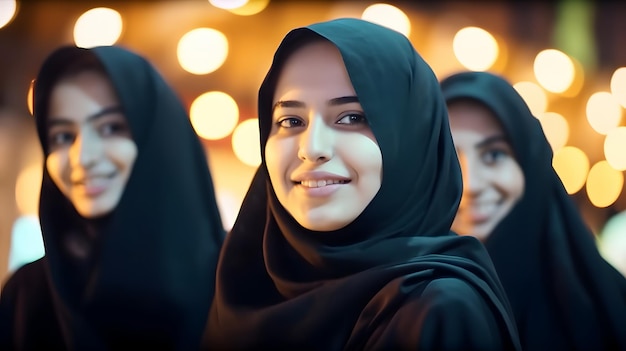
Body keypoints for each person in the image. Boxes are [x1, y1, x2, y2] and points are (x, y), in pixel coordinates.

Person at [202, 18, 521, 350]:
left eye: (352, 118)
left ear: (411, 143)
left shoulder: (436, 308)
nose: (312, 149)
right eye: (290, 121)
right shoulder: (247, 278)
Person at [0, 45, 225, 350]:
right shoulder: (28, 294)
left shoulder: (235, 280)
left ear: (160, 138)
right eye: (63, 137)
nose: (83, 158)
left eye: (110, 128)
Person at [441, 70, 626, 351]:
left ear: (531, 162)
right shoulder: (399, 298)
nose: (471, 184)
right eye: (449, 159)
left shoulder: (608, 300)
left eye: (493, 155)